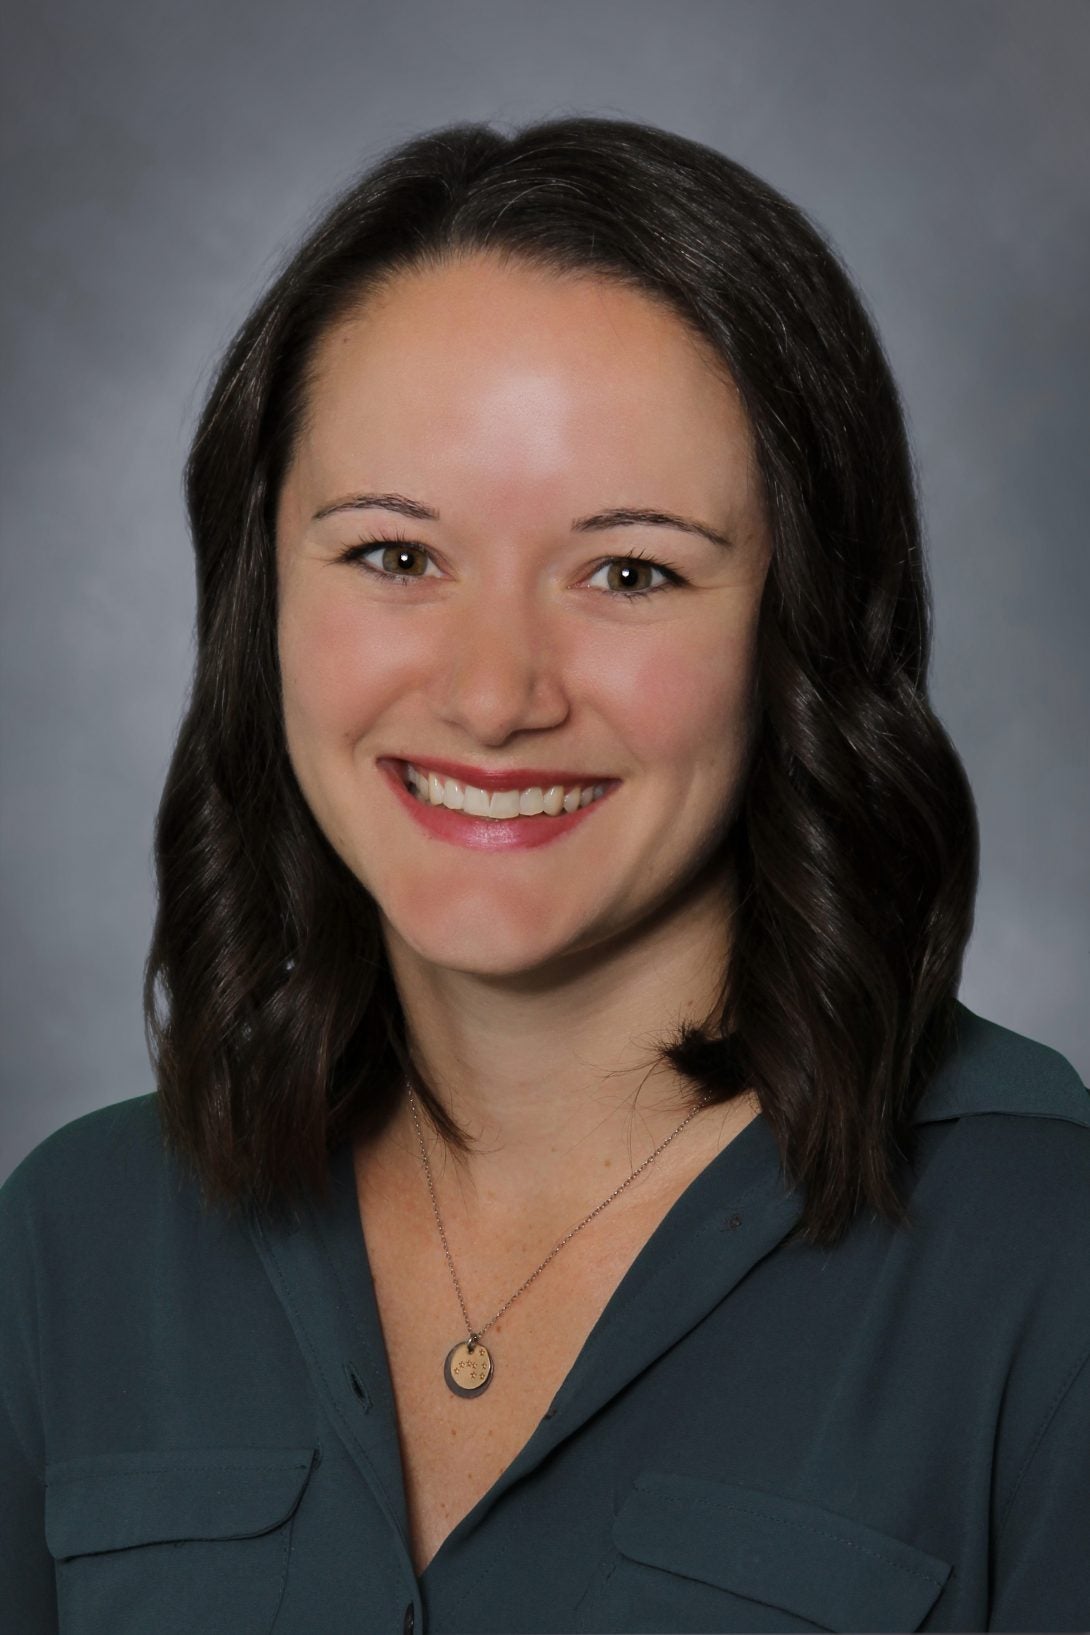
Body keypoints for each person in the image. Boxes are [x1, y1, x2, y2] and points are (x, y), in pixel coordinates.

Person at [1, 115, 1087, 1635]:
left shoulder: (1051, 1265)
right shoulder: (71, 1249)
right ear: (262, 595)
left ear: (800, 637)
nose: (495, 693)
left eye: (629, 572)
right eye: (393, 555)